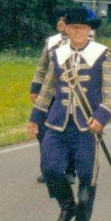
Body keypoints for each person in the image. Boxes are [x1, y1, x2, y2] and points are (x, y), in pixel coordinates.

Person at [28, 7, 111, 221]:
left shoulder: (104, 54)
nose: (78, 31)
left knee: (87, 175)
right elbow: (48, 87)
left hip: (87, 125)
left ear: (89, 30)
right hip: (57, 122)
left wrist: (101, 117)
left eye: (83, 27)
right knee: (50, 168)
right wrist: (36, 117)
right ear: (66, 29)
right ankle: (67, 207)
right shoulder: (57, 54)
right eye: (74, 27)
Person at [30, 12, 76, 184]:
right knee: (43, 131)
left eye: (65, 20)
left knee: (68, 131)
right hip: (49, 93)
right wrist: (35, 88)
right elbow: (42, 66)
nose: (61, 23)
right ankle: (48, 168)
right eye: (60, 20)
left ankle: (70, 170)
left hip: (69, 95)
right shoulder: (51, 41)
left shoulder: (82, 41)